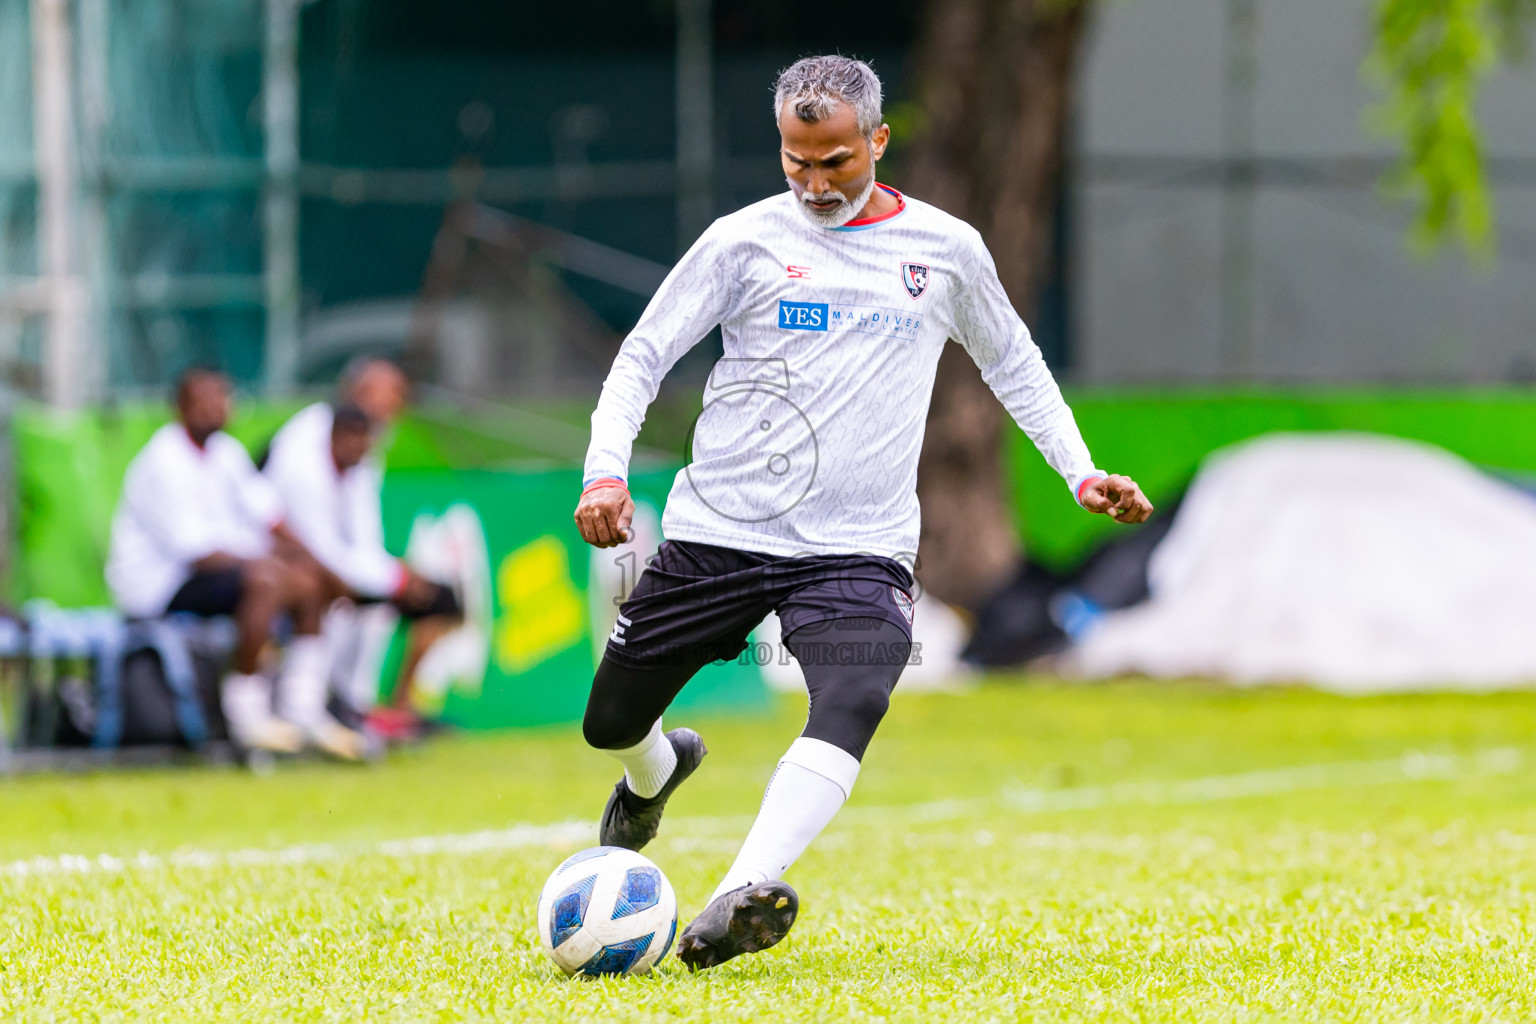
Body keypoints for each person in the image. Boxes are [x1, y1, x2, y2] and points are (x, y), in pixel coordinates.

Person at [572, 55, 1154, 971]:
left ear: (879, 141)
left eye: (835, 161)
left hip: (857, 549)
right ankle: (656, 773)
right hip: (721, 531)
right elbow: (643, 355)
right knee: (610, 720)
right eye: (795, 161)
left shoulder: (947, 250)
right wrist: (605, 474)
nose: (813, 183)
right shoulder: (740, 241)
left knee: (854, 695)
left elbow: (1014, 362)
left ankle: (738, 894)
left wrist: (1081, 471)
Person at [106, 367, 368, 759]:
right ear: (180, 407)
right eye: (203, 400)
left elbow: (270, 515)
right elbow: (195, 553)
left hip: (220, 573)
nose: (214, 408)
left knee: (308, 580)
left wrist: (319, 565)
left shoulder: (226, 453)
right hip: (158, 587)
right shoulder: (162, 461)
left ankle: (302, 706)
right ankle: (245, 715)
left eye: (221, 398)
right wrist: (269, 562)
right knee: (264, 580)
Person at [263, 358, 461, 739]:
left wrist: (392, 575)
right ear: (354, 392)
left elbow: (363, 537)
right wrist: (393, 577)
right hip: (286, 564)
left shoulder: (365, 442)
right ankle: (325, 706)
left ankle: (383, 707)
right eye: (387, 396)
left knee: (437, 599)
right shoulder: (305, 443)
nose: (395, 408)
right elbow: (313, 544)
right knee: (354, 591)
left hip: (332, 562)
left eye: (400, 399)